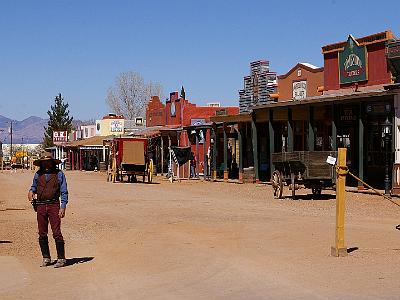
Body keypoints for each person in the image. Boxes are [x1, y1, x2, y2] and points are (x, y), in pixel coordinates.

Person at [27, 152, 69, 268]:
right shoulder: (38, 174)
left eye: (48, 161)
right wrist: (31, 191)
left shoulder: (59, 174)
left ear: (52, 162)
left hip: (54, 205)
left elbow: (64, 191)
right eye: (44, 162)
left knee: (56, 232)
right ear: (41, 163)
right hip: (40, 205)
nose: (46, 164)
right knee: (42, 232)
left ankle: (61, 258)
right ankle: (46, 258)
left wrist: (63, 206)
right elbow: (33, 187)